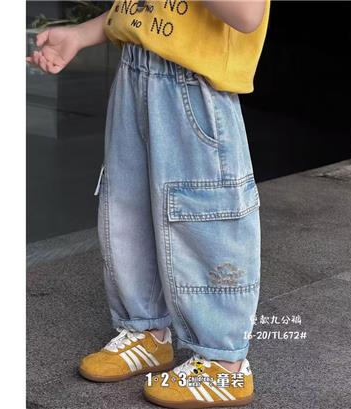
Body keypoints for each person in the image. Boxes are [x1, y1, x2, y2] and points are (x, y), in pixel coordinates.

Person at [26, 1, 270, 407]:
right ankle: (146, 332)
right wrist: (81, 34)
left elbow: (246, 14)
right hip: (135, 74)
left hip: (194, 87)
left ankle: (224, 362)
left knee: (204, 218)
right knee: (128, 210)